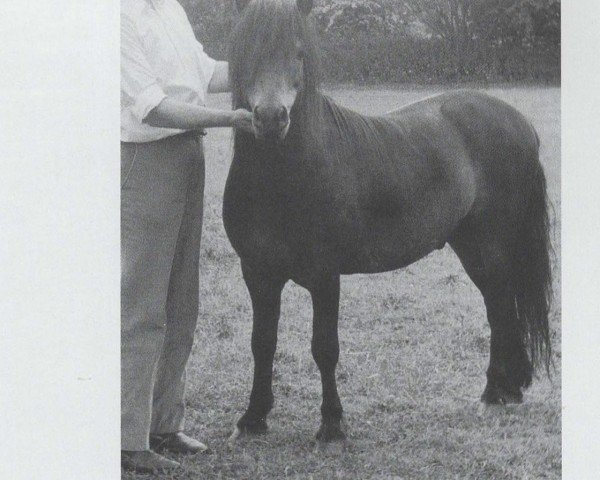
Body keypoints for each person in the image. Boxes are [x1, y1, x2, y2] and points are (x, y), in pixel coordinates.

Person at [120, 0, 252, 473]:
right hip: (146, 161)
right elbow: (152, 108)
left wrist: (267, 56)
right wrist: (228, 119)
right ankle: (127, 440)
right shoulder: (117, 17)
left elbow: (209, 72)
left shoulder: (170, 8)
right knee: (142, 305)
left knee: (181, 303)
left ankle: (163, 424)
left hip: (187, 156)